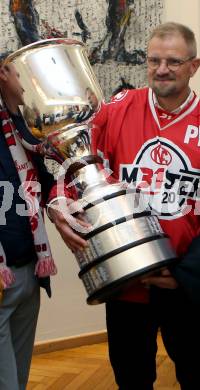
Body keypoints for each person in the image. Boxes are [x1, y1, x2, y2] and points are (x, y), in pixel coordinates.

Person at [49, 22, 200, 390]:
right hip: (126, 280)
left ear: (194, 66)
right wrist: (61, 202)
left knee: (198, 375)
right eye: (154, 60)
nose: (162, 69)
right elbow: (79, 164)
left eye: (173, 61)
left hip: (182, 284)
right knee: (131, 375)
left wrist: (185, 273)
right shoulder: (116, 110)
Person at [0, 61, 57, 390]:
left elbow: (44, 183)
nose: (25, 81)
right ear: (4, 76)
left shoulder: (18, 129)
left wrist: (63, 206)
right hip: (3, 273)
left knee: (17, 380)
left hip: (29, 273)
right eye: (18, 73)